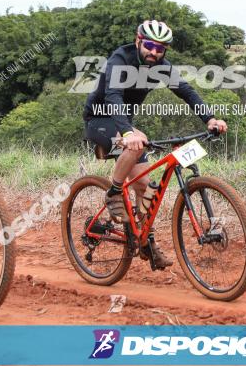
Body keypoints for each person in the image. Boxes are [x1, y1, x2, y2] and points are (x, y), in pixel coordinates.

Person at [83, 19, 227, 268]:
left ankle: (145, 241)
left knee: (147, 188)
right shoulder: (120, 59)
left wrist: (210, 118)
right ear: (139, 41)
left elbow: (186, 91)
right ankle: (114, 193)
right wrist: (128, 132)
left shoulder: (161, 66)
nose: (154, 52)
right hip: (100, 119)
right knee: (131, 145)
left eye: (161, 49)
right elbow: (113, 96)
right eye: (150, 45)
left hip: (125, 123)